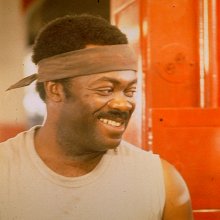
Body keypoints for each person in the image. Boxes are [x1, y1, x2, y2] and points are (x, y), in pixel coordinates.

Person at [0, 14, 193, 220]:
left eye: (129, 91)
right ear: (55, 90)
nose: (123, 104)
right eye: (105, 89)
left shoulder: (162, 184)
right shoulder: (5, 170)